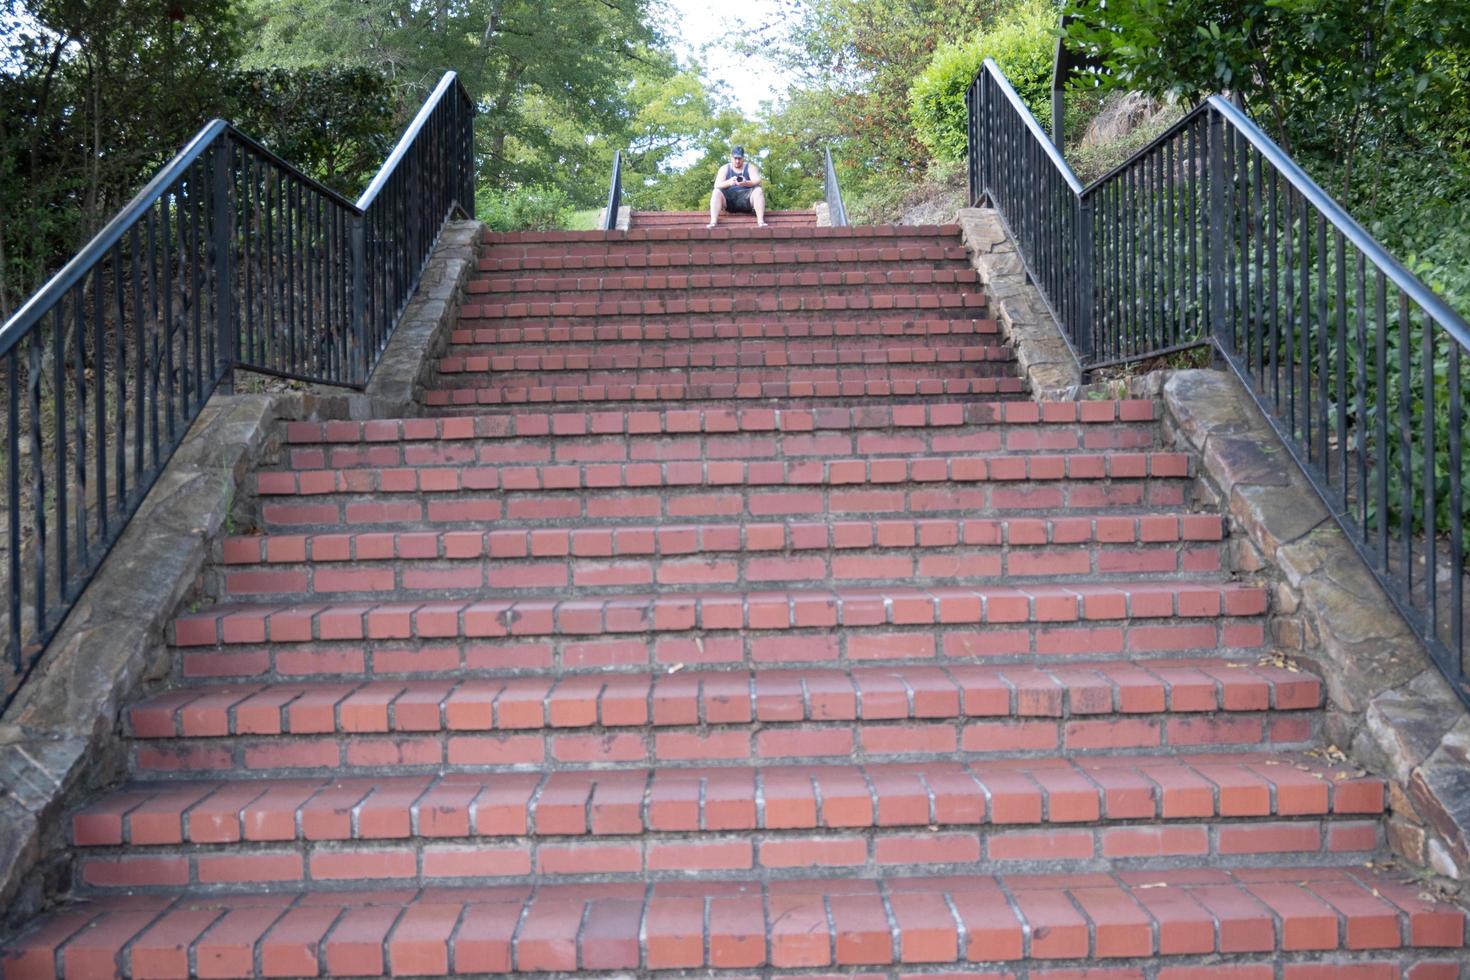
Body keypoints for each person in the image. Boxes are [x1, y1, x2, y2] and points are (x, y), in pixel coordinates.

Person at [708, 145, 767, 228]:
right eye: (735, 158)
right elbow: (716, 185)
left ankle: (760, 221)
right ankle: (713, 221)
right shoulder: (724, 168)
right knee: (716, 192)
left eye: (739, 158)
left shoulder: (750, 167)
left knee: (758, 190)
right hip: (729, 201)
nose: (737, 161)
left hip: (746, 199)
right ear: (731, 157)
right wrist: (729, 182)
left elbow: (757, 180)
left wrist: (745, 182)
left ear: (743, 158)